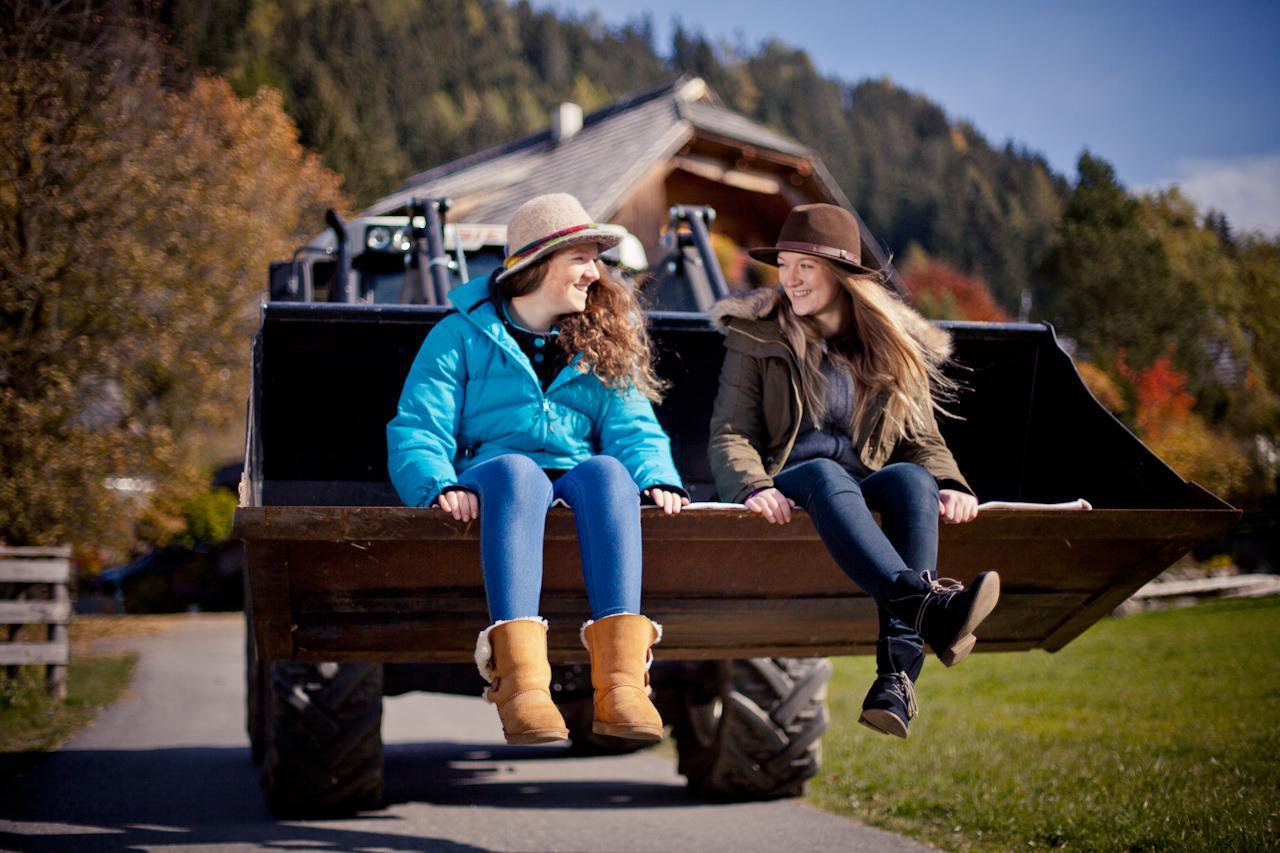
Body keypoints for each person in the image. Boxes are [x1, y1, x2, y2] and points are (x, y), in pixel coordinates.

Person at [387, 193, 688, 746]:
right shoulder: (458, 336)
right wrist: (438, 486)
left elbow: (633, 429)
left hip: (570, 479)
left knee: (607, 473)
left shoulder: (599, 341)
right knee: (520, 473)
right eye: (582, 257)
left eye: (597, 258)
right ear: (536, 263)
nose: (595, 272)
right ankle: (522, 687)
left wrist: (656, 476)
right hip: (492, 476)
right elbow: (419, 428)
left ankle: (622, 685)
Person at [708, 203, 999, 739]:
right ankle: (929, 608)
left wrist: (952, 482)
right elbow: (730, 431)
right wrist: (751, 485)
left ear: (840, 275)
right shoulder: (755, 334)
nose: (789, 280)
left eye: (805, 267)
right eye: (785, 265)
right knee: (823, 470)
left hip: (864, 480)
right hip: (793, 479)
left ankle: (894, 684)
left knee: (913, 479)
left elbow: (921, 439)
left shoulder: (889, 344)